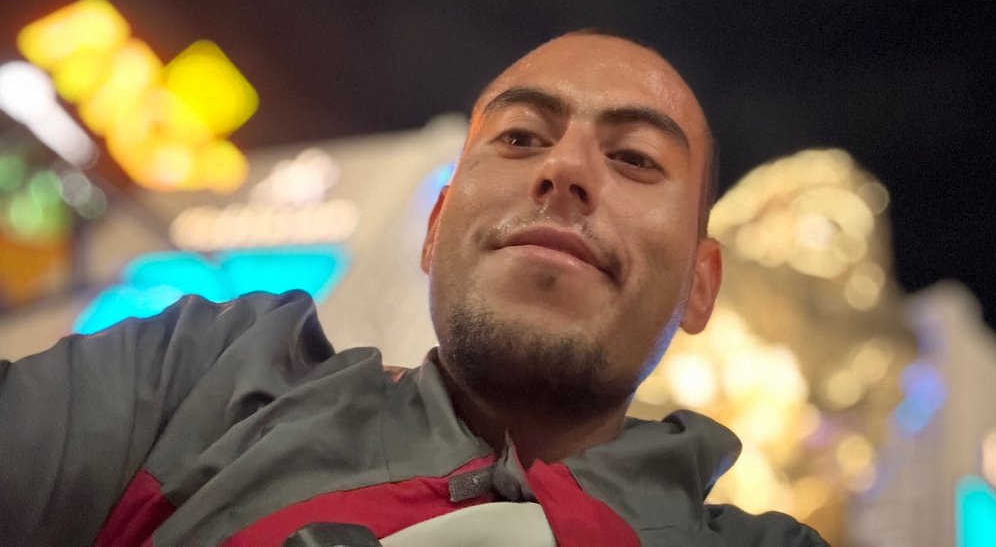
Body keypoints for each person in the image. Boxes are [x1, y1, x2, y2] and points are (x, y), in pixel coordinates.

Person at [0, 31, 828, 546]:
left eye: (636, 158)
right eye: (520, 138)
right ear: (435, 230)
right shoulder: (195, 385)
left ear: (699, 285)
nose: (565, 169)